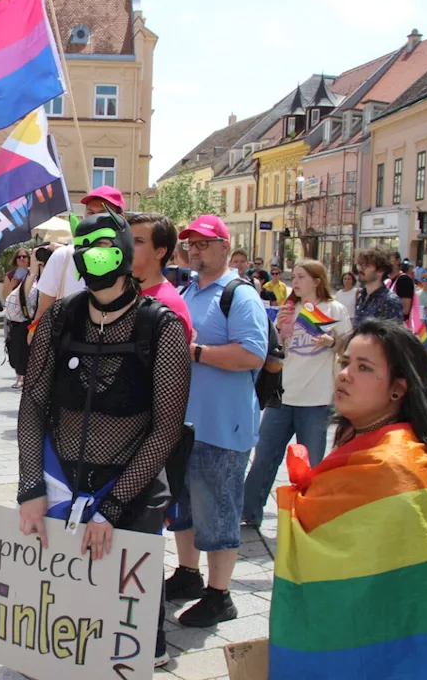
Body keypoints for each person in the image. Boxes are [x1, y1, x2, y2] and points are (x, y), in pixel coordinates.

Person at [269, 319, 427, 679]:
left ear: (398, 389)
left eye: (364, 368)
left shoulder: (393, 462)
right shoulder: (365, 436)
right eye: (345, 362)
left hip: (404, 637)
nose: (345, 374)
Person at [17, 209, 191, 669]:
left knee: (122, 641)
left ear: (125, 254)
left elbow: (166, 428)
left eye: (106, 250)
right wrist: (30, 488)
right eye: (86, 250)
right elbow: (33, 403)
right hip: (62, 486)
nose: (96, 260)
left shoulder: (162, 327)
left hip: (130, 493)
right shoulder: (60, 321)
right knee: (63, 628)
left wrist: (112, 510)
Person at [169, 214, 268, 628]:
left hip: (223, 425)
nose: (195, 249)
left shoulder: (238, 295)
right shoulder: (187, 289)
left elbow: (252, 354)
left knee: (220, 510)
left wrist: (196, 352)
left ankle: (220, 594)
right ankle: (188, 573)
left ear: (226, 246)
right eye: (190, 243)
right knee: (184, 506)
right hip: (186, 423)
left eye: (204, 243)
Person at [241, 260, 350, 528]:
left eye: (301, 277)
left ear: (317, 280)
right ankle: (249, 511)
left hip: (316, 399)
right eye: (295, 277)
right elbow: (279, 350)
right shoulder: (291, 309)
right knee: (264, 456)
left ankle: (308, 516)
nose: (296, 282)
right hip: (283, 395)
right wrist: (278, 329)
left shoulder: (334, 309)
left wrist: (332, 342)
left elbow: (348, 346)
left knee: (310, 463)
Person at [32, 186, 123, 328]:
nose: (95, 219)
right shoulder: (63, 257)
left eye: (103, 213)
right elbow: (42, 315)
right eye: (90, 213)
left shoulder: (128, 260)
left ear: (120, 218)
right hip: (68, 345)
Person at [127, 212, 194, 341]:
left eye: (138, 241)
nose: (128, 246)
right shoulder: (125, 292)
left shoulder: (168, 306)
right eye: (128, 239)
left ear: (159, 252)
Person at [2, 249, 39, 388]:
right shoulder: (11, 275)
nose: (22, 259)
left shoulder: (35, 275)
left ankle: (27, 376)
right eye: (19, 257)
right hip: (16, 318)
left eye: (25, 256)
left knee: (29, 347)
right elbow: (5, 296)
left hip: (31, 316)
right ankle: (19, 377)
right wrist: (15, 281)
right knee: (16, 347)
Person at [353, 247, 403, 322]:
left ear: (380, 271)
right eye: (359, 265)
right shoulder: (361, 296)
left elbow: (393, 333)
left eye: (365, 265)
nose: (360, 269)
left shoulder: (390, 301)